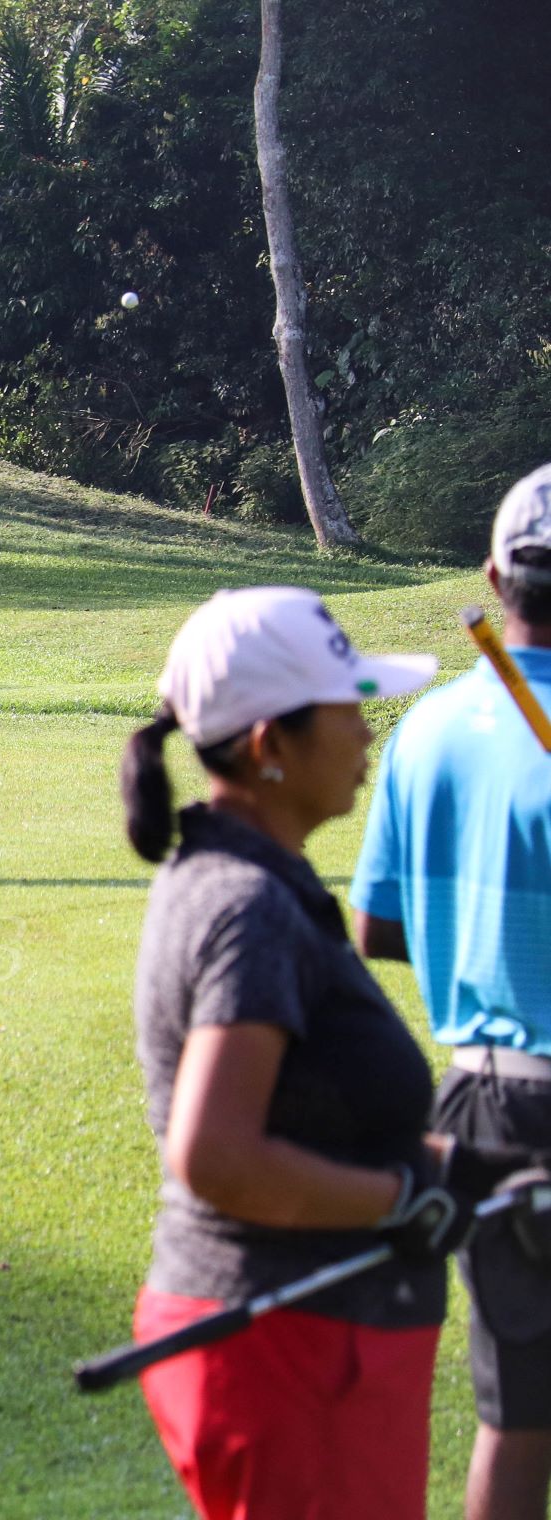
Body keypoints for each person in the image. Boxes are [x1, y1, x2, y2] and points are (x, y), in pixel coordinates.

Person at [120, 586, 534, 1519]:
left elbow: (308, 1109)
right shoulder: (248, 907)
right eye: (349, 710)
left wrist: (469, 1170)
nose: (368, 734)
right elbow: (218, 1155)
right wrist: (405, 1196)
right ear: (271, 746)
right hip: (288, 1347)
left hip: (296, 1337)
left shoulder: (246, 876)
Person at [354, 463, 551, 1520]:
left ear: (494, 575)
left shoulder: (425, 728)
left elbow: (377, 927)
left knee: (520, 1415)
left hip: (482, 1099)